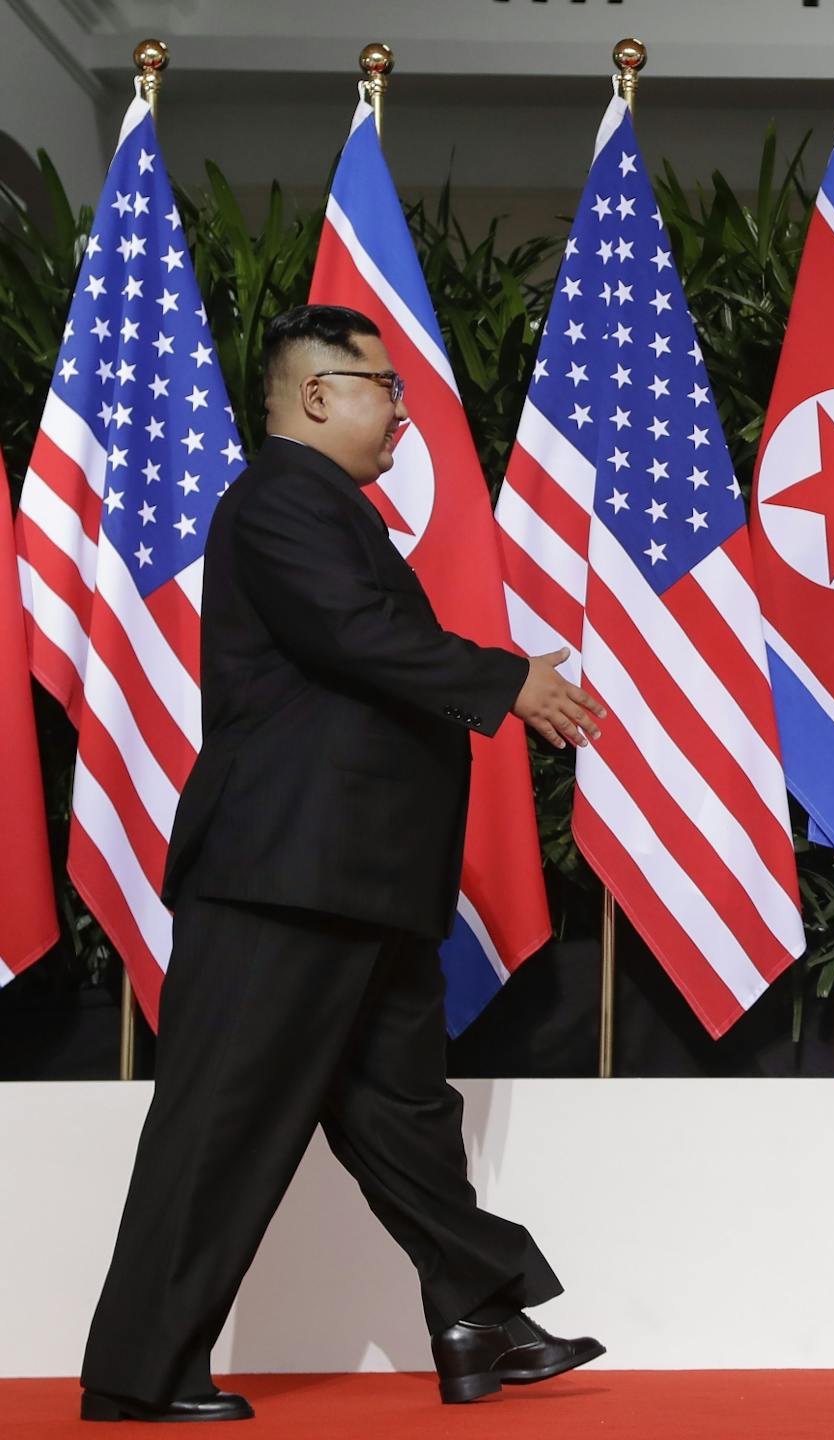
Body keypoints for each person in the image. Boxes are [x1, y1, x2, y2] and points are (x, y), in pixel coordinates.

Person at [80, 305, 608, 1423]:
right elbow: (353, 633)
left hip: (360, 879)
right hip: (286, 875)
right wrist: (507, 680)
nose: (404, 412)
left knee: (405, 1113)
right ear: (318, 395)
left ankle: (479, 1321)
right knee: (222, 1115)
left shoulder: (323, 508)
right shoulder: (279, 497)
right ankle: (140, 1371)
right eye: (386, 388)